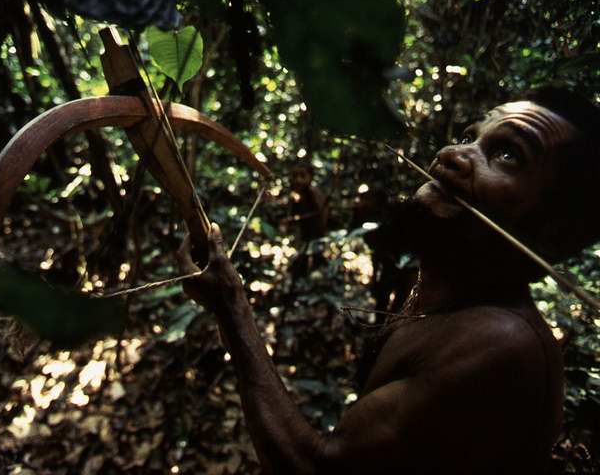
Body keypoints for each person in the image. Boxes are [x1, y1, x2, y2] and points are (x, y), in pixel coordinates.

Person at [175, 87, 600, 474]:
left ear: (556, 234)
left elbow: (316, 468)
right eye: (469, 136)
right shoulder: (444, 284)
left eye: (508, 154)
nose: (452, 153)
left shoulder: (503, 344)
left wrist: (231, 308)